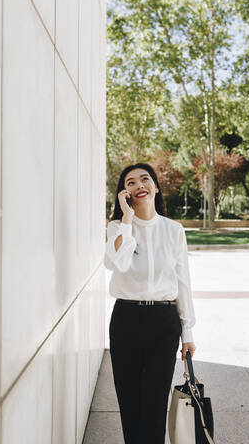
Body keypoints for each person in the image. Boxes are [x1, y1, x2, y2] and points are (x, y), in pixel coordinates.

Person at [104, 162, 196, 444]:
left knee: (156, 402)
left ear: (156, 187)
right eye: (130, 182)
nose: (139, 185)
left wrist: (187, 333)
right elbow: (116, 263)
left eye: (145, 179)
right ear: (125, 193)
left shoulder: (173, 229)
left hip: (164, 323)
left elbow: (182, 282)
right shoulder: (118, 228)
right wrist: (128, 220)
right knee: (130, 400)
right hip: (126, 320)